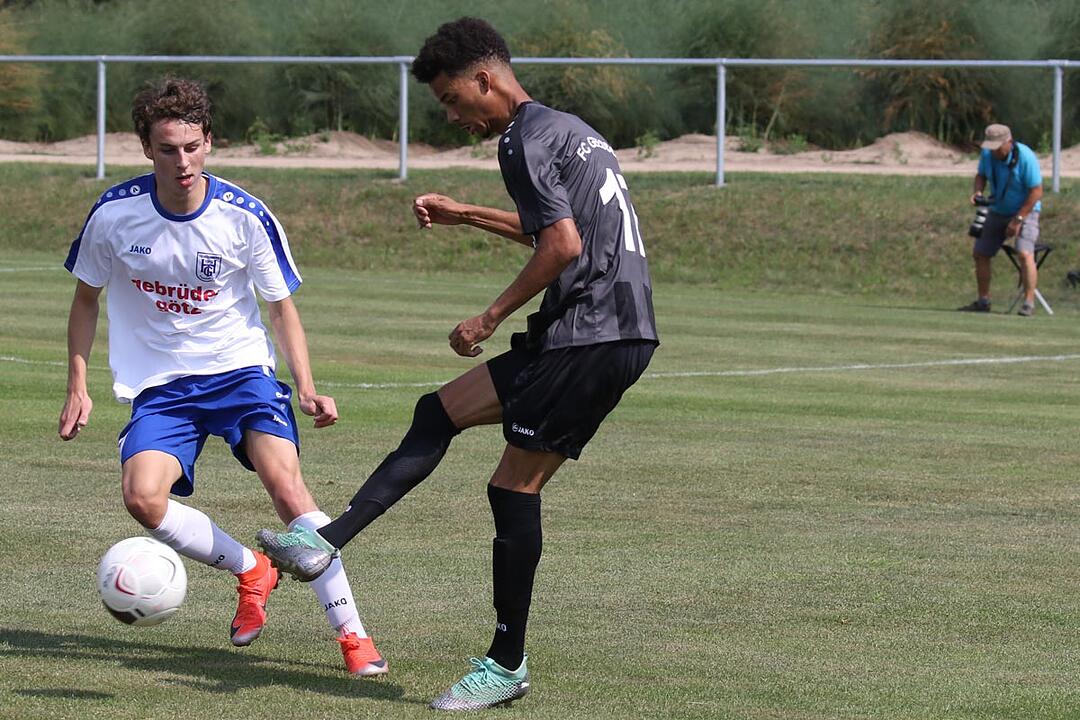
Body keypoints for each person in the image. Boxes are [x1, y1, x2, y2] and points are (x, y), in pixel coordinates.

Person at [257, 16, 658, 711]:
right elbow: (561, 228)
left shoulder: (522, 139)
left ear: (485, 77)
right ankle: (324, 544)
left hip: (592, 334)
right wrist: (468, 214)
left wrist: (489, 317)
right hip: (594, 330)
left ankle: (506, 665)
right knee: (436, 411)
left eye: (451, 98)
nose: (450, 114)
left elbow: (561, 246)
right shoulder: (567, 128)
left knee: (513, 489)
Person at [59, 77, 386, 676]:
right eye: (167, 149)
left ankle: (353, 635)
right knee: (142, 498)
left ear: (209, 141)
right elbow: (85, 299)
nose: (181, 162)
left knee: (289, 492)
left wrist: (306, 384)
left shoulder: (246, 217)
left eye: (192, 146)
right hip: (161, 386)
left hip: (241, 373)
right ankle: (250, 569)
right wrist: (77, 384)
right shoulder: (114, 215)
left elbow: (280, 306)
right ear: (146, 149)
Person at [959, 123, 1044, 316]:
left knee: (1024, 253)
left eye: (998, 147)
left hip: (1026, 211)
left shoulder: (1026, 157)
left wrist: (1018, 219)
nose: (994, 151)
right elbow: (981, 175)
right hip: (998, 209)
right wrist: (978, 192)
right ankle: (983, 301)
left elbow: (1036, 191)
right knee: (981, 253)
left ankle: (1028, 303)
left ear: (1009, 142)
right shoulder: (988, 154)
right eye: (991, 147)